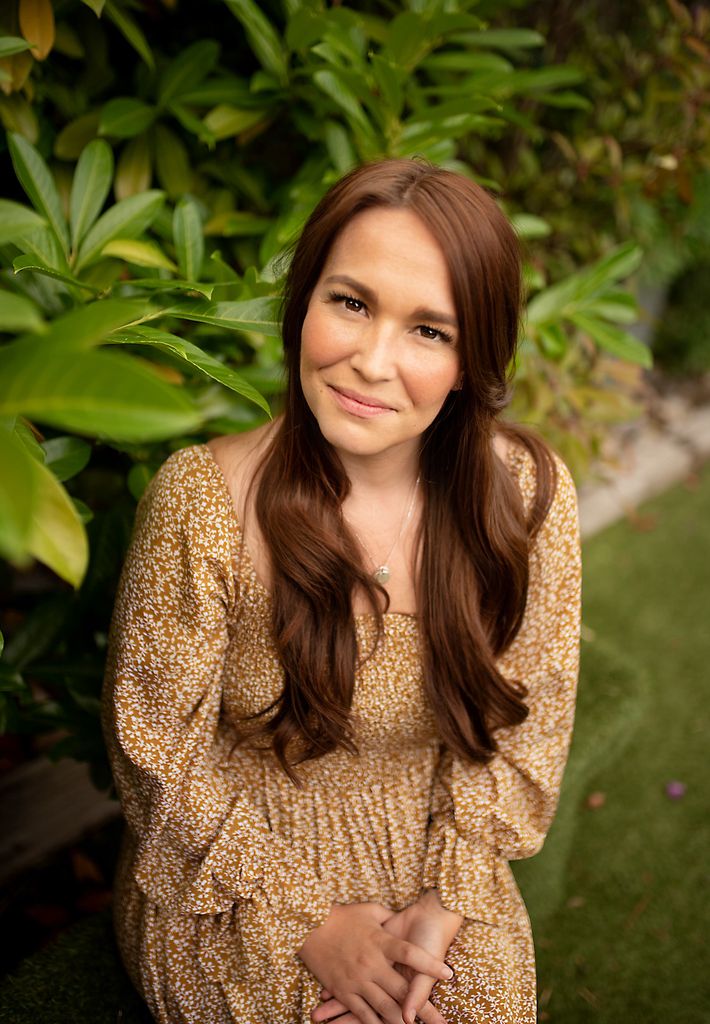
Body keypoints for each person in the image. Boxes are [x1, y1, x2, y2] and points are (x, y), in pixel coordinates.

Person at [102, 158, 581, 1024]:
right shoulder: (203, 498)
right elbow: (154, 752)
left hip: (435, 851)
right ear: (303, 303)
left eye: (429, 330)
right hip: (231, 871)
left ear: (473, 360)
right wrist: (307, 923)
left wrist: (442, 908)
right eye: (351, 302)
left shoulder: (527, 496)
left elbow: (531, 716)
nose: (372, 361)